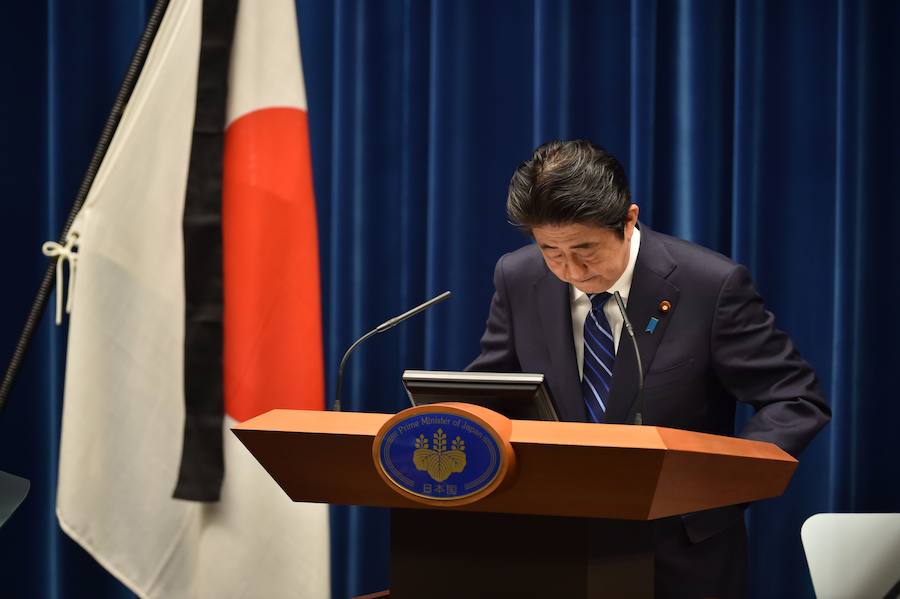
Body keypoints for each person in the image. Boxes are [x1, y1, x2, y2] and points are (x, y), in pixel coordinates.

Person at [467, 139, 830, 598]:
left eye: (586, 249)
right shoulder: (518, 278)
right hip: (556, 549)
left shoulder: (709, 285)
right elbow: (493, 389)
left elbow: (795, 399)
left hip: (678, 551)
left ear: (629, 218)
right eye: (551, 252)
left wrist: (711, 488)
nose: (572, 270)